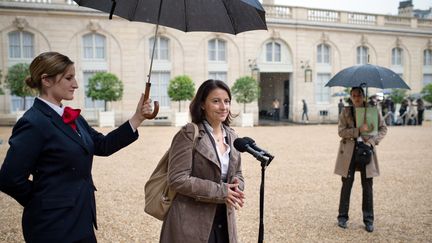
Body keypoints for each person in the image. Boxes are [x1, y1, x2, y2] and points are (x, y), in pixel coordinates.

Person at [0, 52, 153, 243]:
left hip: (82, 217)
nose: (76, 84)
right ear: (46, 80)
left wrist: (137, 118)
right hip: (51, 226)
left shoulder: (73, 116)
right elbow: (8, 178)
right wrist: (44, 201)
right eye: (68, 78)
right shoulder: (33, 122)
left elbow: (102, 145)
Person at [160, 79, 245, 243]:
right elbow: (177, 179)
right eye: (216, 101)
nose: (223, 107)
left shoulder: (232, 136)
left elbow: (238, 173)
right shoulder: (189, 134)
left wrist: (236, 186)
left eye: (226, 101)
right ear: (202, 104)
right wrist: (222, 191)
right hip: (191, 222)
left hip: (225, 220)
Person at [334, 87, 387, 233]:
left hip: (366, 150)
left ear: (363, 96)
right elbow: (340, 131)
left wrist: (372, 141)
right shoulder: (346, 111)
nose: (356, 98)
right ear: (351, 97)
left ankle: (369, 220)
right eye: (354, 95)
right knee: (347, 184)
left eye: (359, 95)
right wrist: (358, 130)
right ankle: (342, 217)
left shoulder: (373, 110)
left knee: (368, 185)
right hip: (349, 151)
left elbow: (383, 128)